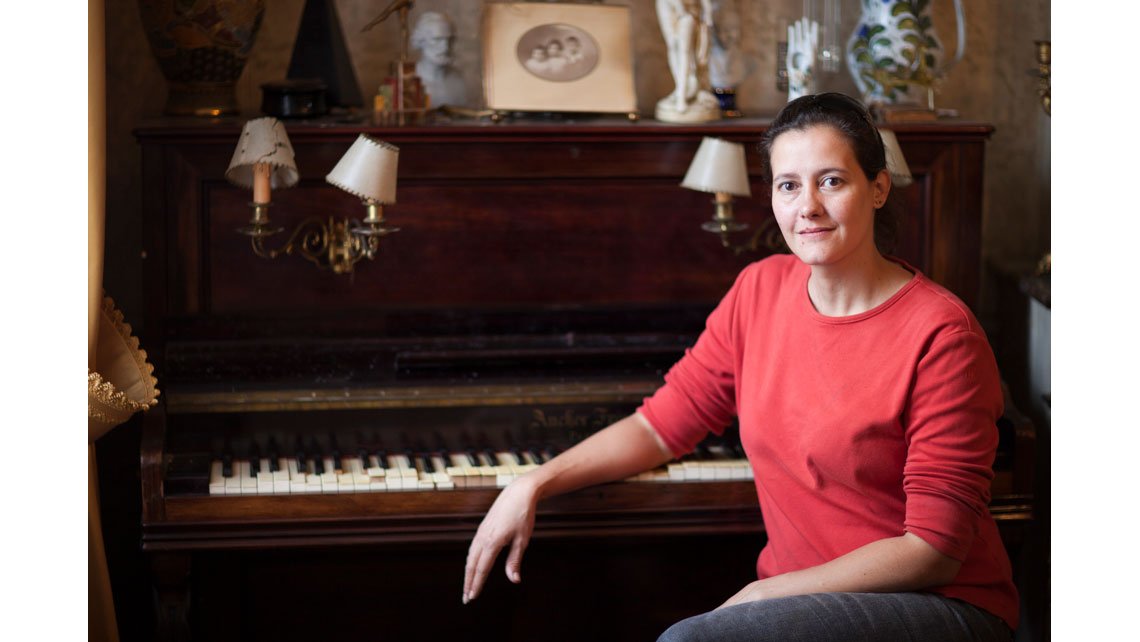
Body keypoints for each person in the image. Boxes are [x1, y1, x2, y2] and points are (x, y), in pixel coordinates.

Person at [461, 92, 1017, 642]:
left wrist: (763, 593)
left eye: (831, 181)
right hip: (804, 600)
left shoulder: (943, 335)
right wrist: (533, 482)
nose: (808, 208)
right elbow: (660, 427)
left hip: (937, 606)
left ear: (877, 188)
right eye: (788, 185)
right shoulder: (759, 289)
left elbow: (935, 551)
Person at [410, 11, 466, 107]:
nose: (445, 47)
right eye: (437, 39)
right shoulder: (409, 81)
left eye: (449, 40)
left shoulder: (458, 80)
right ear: (421, 40)